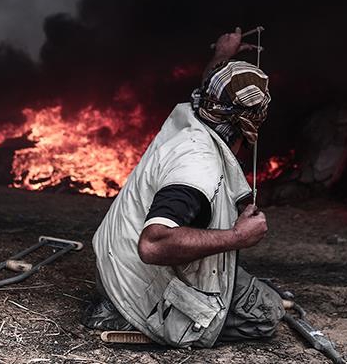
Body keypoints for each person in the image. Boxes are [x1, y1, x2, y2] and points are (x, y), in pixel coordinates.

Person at [85, 28, 285, 348]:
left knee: (234, 273)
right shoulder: (198, 166)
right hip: (133, 284)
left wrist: (223, 55)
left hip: (111, 263)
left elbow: (212, 86)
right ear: (248, 124)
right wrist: (238, 237)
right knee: (266, 311)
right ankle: (124, 314)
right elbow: (152, 244)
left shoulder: (196, 111)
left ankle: (120, 301)